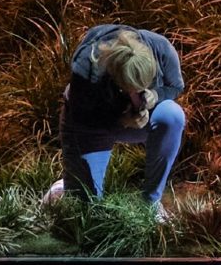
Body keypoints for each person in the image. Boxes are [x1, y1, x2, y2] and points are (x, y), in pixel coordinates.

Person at [52, 23, 186, 219]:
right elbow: (83, 119)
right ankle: (64, 188)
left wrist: (155, 95)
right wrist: (123, 119)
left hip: (137, 119)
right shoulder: (86, 70)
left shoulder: (161, 48)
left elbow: (176, 86)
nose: (137, 95)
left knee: (171, 115)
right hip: (91, 124)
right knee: (87, 211)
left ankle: (150, 203)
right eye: (130, 89)